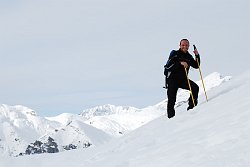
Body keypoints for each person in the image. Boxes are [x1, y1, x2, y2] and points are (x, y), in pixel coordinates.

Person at [164, 39, 200, 118]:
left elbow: (196, 66)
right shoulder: (174, 53)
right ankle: (171, 118)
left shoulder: (189, 56)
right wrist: (180, 63)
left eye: (186, 45)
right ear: (180, 45)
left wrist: (197, 55)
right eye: (183, 45)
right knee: (172, 100)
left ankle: (191, 108)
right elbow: (168, 66)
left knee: (195, 88)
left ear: (189, 46)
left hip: (183, 80)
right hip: (172, 80)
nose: (185, 47)